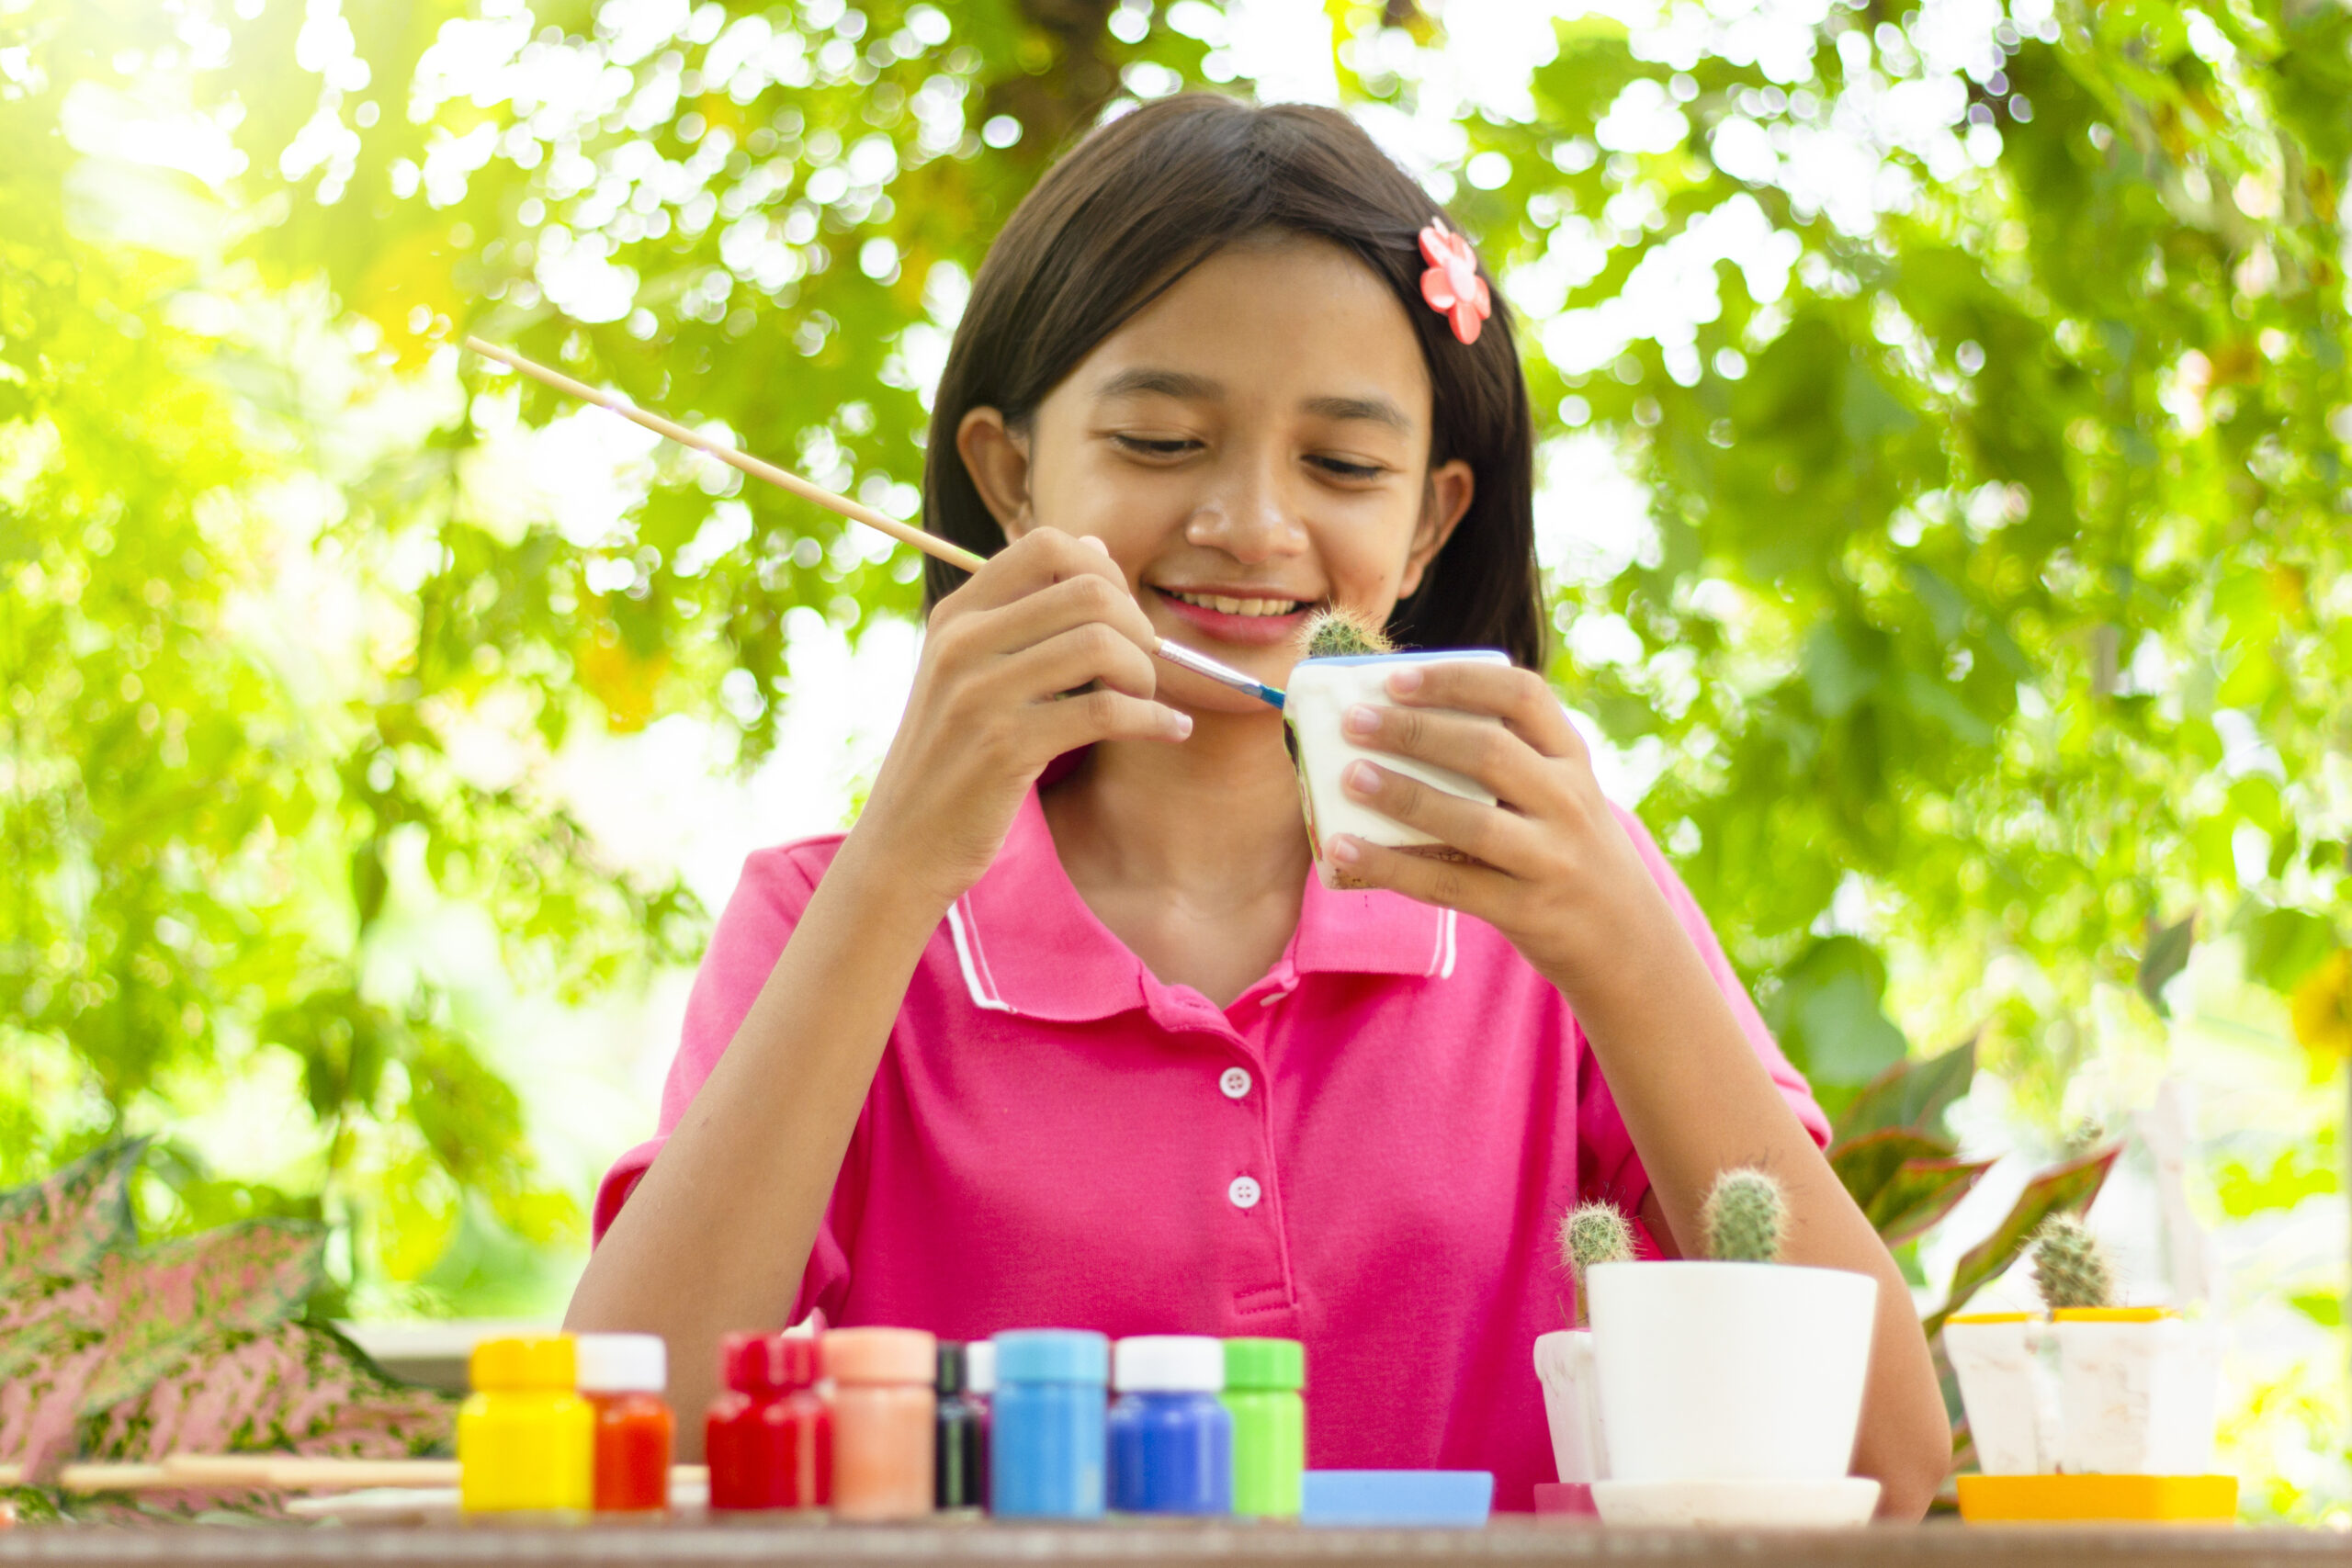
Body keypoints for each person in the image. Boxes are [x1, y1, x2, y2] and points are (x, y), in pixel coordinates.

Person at [567, 95, 1949, 1514]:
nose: (1252, 525)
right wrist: (896, 870)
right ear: (1009, 474)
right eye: (1164, 441)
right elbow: (619, 1434)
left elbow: (1884, 1470)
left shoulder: (1563, 894)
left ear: (1428, 522)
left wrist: (1620, 950)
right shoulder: (828, 914)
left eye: (1342, 465)